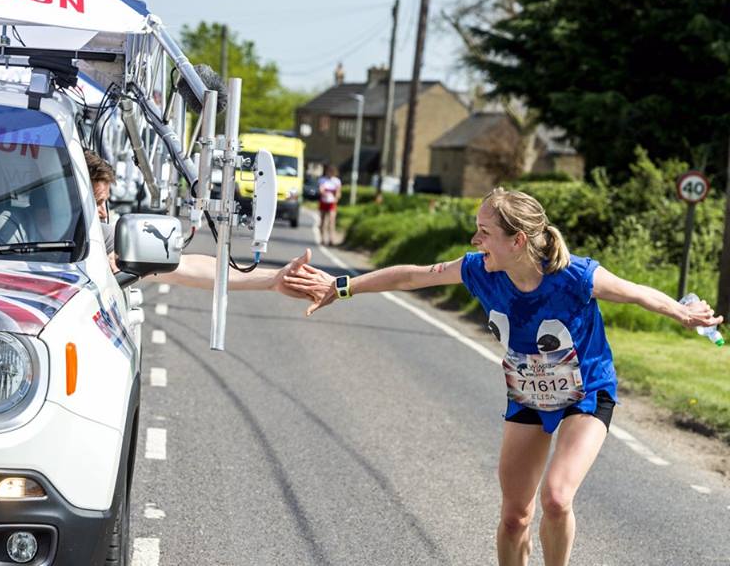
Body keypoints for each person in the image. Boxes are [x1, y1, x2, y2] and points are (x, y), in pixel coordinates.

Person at [284, 187, 722, 566]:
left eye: (485, 233)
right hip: (528, 398)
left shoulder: (574, 276)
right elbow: (415, 276)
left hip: (585, 396)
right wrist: (341, 287)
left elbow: (638, 293)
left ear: (518, 240)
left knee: (556, 498)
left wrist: (682, 312)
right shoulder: (479, 270)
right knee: (515, 516)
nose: (475, 240)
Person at [83, 150, 314, 297]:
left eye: (105, 202)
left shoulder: (103, 237)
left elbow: (189, 267)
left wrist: (273, 279)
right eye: (97, 202)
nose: (104, 213)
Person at [317, 164, 342, 246]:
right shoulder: (322, 180)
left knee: (331, 221)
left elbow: (338, 192)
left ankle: (331, 239)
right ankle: (322, 238)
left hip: (332, 203)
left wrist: (335, 198)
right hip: (324, 202)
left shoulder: (337, 181)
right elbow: (321, 190)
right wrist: (325, 194)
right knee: (323, 221)